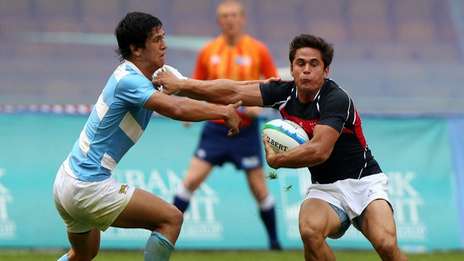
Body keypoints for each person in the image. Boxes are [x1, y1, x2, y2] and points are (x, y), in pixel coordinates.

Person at [155, 34, 408, 261]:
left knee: (386, 245)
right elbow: (233, 90)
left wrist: (278, 160)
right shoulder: (284, 93)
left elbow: (320, 150)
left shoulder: (336, 99)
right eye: (300, 63)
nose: (306, 70)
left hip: (364, 183)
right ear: (292, 68)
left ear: (326, 70)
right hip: (326, 188)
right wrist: (183, 85)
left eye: (314, 64)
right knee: (310, 232)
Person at [53, 12, 242, 261]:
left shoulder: (159, 74)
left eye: (163, 37)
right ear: (136, 49)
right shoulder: (128, 80)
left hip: (67, 181)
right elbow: (176, 108)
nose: (164, 44)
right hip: (87, 186)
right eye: (156, 39)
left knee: (82, 254)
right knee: (170, 219)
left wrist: (263, 89)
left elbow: (203, 89)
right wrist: (222, 112)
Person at [171, 0, 282, 250]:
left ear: (242, 19)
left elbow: (276, 88)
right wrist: (189, 112)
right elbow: (195, 85)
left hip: (246, 131)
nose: (229, 20)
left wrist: (260, 108)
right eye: (224, 16)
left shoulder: (258, 50)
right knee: (191, 180)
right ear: (219, 21)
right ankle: (166, 235)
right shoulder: (209, 51)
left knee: (258, 187)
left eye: (234, 15)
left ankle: (275, 245)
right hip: (215, 127)